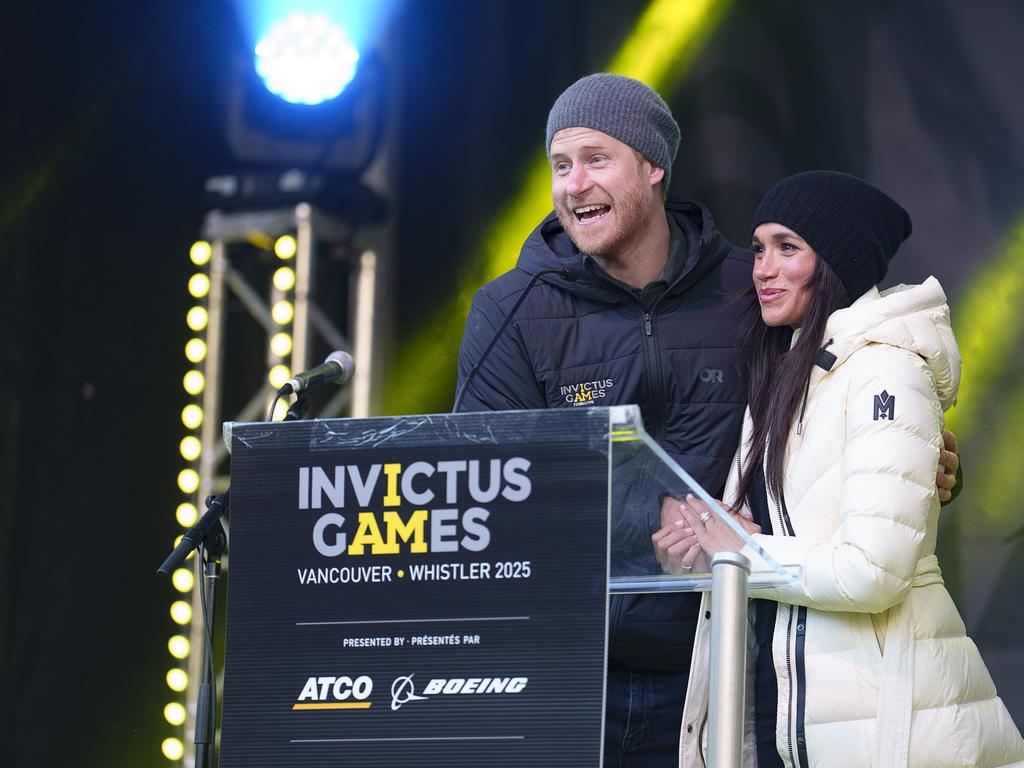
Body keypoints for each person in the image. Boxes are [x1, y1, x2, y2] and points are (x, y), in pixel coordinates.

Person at [456, 75, 959, 767]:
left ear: (655, 165)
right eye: (561, 166)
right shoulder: (511, 309)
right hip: (566, 666)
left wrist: (910, 459)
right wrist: (655, 511)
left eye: (596, 159)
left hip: (728, 669)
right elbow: (487, 482)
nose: (574, 185)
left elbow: (836, 412)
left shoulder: (751, 291)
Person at [666, 171, 1024, 767]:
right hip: (808, 724)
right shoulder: (788, 372)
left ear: (835, 263)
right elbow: (771, 532)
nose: (762, 268)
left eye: (788, 247)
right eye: (758, 248)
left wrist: (749, 552)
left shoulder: (886, 372)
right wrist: (694, 540)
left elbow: (873, 571)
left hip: (899, 731)